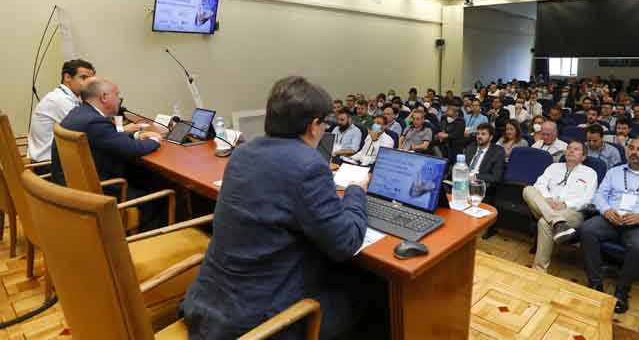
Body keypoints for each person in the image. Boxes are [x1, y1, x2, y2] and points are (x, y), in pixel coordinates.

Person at [181, 76, 380, 340]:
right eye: (324, 124)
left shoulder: (242, 153)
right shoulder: (308, 165)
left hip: (207, 304)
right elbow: (345, 242)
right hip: (256, 323)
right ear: (313, 126)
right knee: (372, 286)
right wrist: (355, 190)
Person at [49, 77, 165, 230]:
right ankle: (152, 243)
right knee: (161, 193)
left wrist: (136, 136)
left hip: (73, 187)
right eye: (117, 95)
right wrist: (156, 140)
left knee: (143, 176)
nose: (119, 99)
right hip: (100, 191)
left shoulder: (80, 113)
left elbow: (107, 139)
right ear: (103, 97)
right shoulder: (94, 122)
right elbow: (133, 150)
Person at [582, 137, 639, 314]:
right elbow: (599, 195)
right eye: (631, 148)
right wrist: (606, 209)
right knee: (587, 230)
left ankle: (622, 291)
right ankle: (595, 283)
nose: (634, 152)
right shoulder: (614, 172)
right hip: (612, 218)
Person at [524, 141, 598, 272]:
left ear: (584, 157)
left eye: (576, 149)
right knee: (528, 189)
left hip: (572, 212)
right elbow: (539, 184)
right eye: (569, 148)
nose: (571, 151)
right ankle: (557, 222)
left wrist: (565, 204)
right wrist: (547, 199)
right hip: (546, 206)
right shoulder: (554, 167)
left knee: (544, 222)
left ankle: (539, 270)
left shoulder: (590, 173)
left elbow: (589, 199)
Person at [28, 59, 97, 162]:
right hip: (47, 165)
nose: (88, 84)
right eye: (83, 78)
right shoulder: (59, 100)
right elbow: (89, 130)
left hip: (53, 159)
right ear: (67, 77)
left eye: (91, 80)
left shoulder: (65, 96)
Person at [464, 123, 505, 201]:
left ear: (491, 137)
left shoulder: (497, 152)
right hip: (463, 183)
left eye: (483, 134)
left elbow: (496, 177)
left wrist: (475, 177)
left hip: (480, 186)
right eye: (478, 134)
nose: (479, 136)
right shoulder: (471, 147)